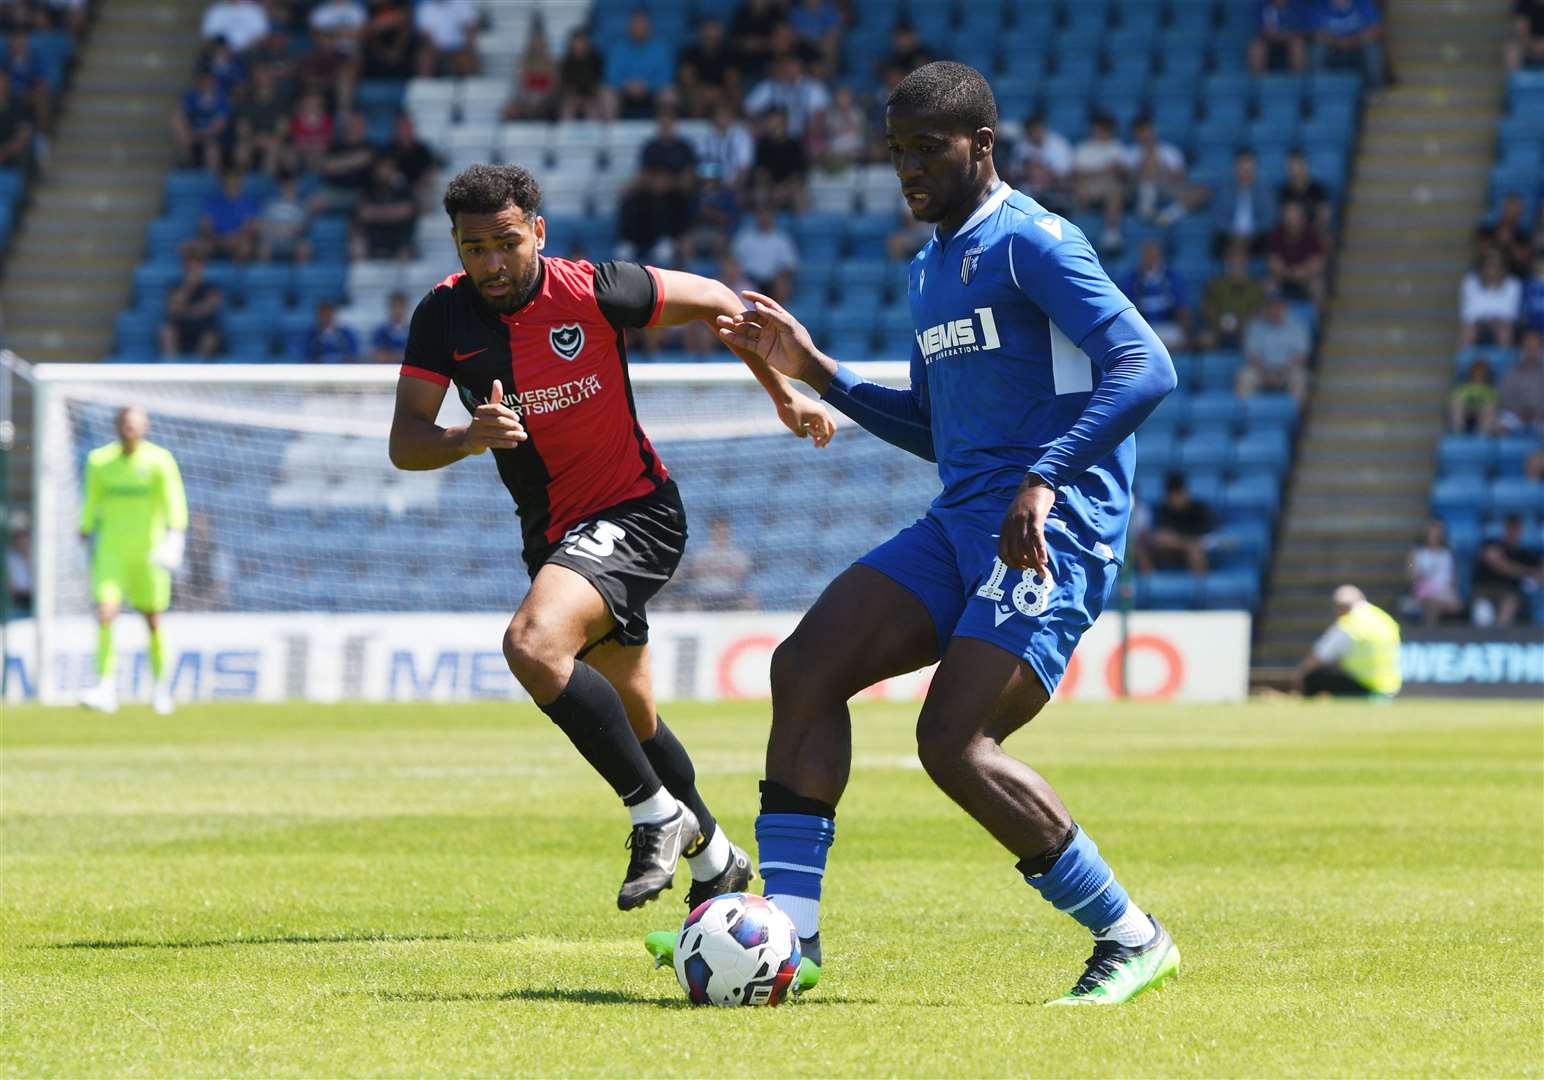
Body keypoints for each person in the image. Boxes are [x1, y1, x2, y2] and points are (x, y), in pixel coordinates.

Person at [703, 62, 1180, 1004]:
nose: (909, 166)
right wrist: (821, 373)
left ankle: (1132, 937)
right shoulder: (929, 268)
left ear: (983, 146)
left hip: (1052, 528)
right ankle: (792, 941)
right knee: (804, 668)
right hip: (963, 520)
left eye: (929, 147)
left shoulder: (1032, 243)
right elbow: (937, 426)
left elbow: (1146, 364)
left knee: (952, 742)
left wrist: (1044, 479)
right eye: (896, 150)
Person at [387, 164, 836, 914]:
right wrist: (467, 438)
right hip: (555, 537)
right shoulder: (441, 316)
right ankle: (719, 859)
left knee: (532, 643)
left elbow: (723, 304)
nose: (491, 263)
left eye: (505, 243)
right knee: (633, 716)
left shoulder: (596, 288)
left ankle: (654, 814)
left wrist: (783, 394)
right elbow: (404, 441)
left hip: (637, 512)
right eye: (474, 249)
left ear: (538, 230)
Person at [77, 407, 190, 716]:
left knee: (152, 619)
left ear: (145, 426)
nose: (130, 429)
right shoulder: (99, 461)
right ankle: (105, 685)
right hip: (111, 550)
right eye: (125, 423)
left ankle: (161, 687)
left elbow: (174, 501)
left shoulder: (159, 460)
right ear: (118, 426)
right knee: (105, 613)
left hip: (148, 552)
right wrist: (83, 536)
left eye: (135, 424)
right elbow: (90, 502)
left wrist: (175, 538)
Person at [1295, 585, 1402, 698]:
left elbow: (1320, 656)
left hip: (1366, 688)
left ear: (1341, 607)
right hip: (1390, 688)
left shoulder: (1349, 624)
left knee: (1312, 677)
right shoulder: (1383, 618)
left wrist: (1299, 674)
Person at [1238, 285, 1311, 406]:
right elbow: (1251, 354)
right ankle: (1246, 416)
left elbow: (1300, 355)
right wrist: (1265, 372)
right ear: (1266, 308)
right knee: (1244, 376)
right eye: (1271, 306)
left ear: (1285, 307)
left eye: (1278, 306)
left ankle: (1293, 417)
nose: (1274, 310)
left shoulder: (1298, 327)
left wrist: (1281, 372)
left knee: (1300, 377)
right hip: (1261, 370)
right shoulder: (1255, 326)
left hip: (1287, 370)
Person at [1134, 473, 1216, 575]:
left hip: (1197, 547)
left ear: (1185, 493)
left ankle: (1201, 588)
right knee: (1148, 545)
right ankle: (1151, 586)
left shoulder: (1200, 510)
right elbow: (1161, 536)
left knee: (1194, 549)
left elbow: (1207, 536)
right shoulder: (1164, 510)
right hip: (1171, 549)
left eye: (1178, 494)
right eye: (1171, 495)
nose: (1175, 499)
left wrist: (1182, 540)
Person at [1120, 240, 1192, 352]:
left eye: (1153, 255)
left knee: (1176, 339)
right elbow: (1125, 310)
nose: (1149, 259)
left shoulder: (1172, 276)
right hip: (1143, 327)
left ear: (1159, 256)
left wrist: (1187, 334)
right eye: (1146, 255)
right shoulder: (1131, 278)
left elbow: (1181, 308)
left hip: (1168, 326)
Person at [1471, 514, 1542, 626]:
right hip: (1485, 590)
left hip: (1510, 592)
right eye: (1511, 528)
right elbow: (1500, 565)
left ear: (1522, 530)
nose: (1513, 532)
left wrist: (1536, 574)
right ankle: (1485, 640)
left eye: (1517, 528)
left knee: (1510, 601)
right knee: (1483, 612)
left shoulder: (1526, 554)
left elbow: (1539, 571)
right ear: (1504, 528)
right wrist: (1527, 571)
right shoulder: (1491, 544)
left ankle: (1500, 638)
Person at [1072, 112, 1128, 252]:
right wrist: (1104, 170)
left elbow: (1123, 173)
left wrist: (1100, 172)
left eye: (1104, 129)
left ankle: (1111, 233)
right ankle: (1077, 233)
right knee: (1079, 187)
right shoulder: (1084, 148)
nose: (1100, 132)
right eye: (1098, 128)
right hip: (1087, 189)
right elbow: (1078, 174)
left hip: (1110, 188)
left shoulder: (1117, 147)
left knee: (1114, 188)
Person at [604, 9, 675, 120]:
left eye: (642, 24)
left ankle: (664, 135)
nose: (639, 28)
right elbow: (611, 76)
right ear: (629, 27)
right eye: (635, 25)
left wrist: (647, 85)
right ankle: (613, 135)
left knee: (669, 94)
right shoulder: (618, 47)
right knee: (607, 95)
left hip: (652, 92)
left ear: (649, 27)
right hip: (624, 92)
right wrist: (627, 84)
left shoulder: (661, 47)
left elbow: (666, 76)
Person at [676, 514, 754, 609]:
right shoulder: (701, 554)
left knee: (749, 602)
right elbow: (696, 574)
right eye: (717, 530)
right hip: (704, 595)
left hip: (731, 595)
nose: (721, 533)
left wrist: (713, 568)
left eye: (723, 530)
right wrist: (723, 569)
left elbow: (740, 576)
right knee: (690, 605)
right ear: (711, 532)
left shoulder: (738, 554)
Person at [1199, 241, 1265, 349]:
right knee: (1205, 339)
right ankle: (1214, 364)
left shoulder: (1255, 287)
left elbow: (1259, 312)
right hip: (1218, 327)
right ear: (1227, 261)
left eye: (1240, 260)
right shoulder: (1216, 284)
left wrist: (1242, 324)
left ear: (1246, 262)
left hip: (1245, 329)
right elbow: (1206, 309)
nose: (1236, 263)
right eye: (1232, 260)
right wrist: (1221, 321)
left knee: (1255, 340)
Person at [157, 256, 224, 359]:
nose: (194, 271)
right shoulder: (175, 286)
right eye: (190, 268)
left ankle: (199, 367)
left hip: (203, 327)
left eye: (197, 268)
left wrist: (185, 310)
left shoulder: (212, 287)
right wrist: (188, 287)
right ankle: (172, 365)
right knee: (166, 332)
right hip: (180, 326)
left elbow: (209, 308)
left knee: (210, 339)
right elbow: (173, 308)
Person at [1265, 199, 1328, 305]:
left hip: (1306, 276)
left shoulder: (1312, 234)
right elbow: (1272, 262)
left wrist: (1303, 271)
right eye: (1288, 215)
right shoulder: (1276, 235)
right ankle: (1269, 317)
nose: (1291, 219)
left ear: (1301, 217)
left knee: (1318, 286)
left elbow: (1318, 262)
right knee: (1268, 285)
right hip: (1282, 276)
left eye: (1294, 215)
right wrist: (1288, 273)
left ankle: (1317, 319)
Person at [1312, 0, 1386, 87]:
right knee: (1318, 49)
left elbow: (1375, 30)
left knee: (1372, 47)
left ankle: (1375, 90)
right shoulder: (1320, 5)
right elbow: (1317, 34)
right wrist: (1339, 41)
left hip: (1358, 48)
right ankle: (1317, 88)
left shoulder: (1363, 3)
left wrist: (1353, 40)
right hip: (1333, 50)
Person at [1459, 248, 1522, 348]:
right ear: (1481, 268)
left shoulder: (1513, 284)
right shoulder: (1470, 282)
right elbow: (1468, 313)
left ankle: (1506, 361)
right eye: (1488, 266)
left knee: (1505, 331)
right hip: (1478, 324)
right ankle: (1466, 360)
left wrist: (1492, 319)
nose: (1491, 270)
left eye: (1495, 266)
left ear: (1502, 268)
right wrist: (1486, 320)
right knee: (1468, 330)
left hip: (1502, 324)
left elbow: (1511, 313)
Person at [1406, 519, 1461, 626]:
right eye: (1432, 533)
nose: (1435, 536)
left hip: (1445, 593)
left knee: (1440, 604)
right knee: (1431, 605)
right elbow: (1410, 578)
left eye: (1438, 533)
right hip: (1424, 592)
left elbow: (1454, 580)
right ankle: (1430, 633)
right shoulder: (1417, 554)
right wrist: (1420, 575)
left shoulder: (1448, 554)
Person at [414, 0, 478, 77]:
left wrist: (468, 48)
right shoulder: (425, 8)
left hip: (460, 48)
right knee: (424, 59)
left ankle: (471, 86)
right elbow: (426, 37)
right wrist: (435, 51)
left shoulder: (461, 3)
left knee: (468, 58)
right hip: (436, 49)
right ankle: (427, 87)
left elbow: (470, 29)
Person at [1498, 328, 1544, 435]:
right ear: (1522, 349)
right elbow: (1505, 398)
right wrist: (1520, 412)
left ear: (1539, 349)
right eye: (1528, 347)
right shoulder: (1511, 372)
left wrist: (1537, 412)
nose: (1531, 350)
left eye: (1534, 347)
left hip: (1541, 417)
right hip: (1516, 417)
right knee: (1496, 427)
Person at [1250, 0, 1309, 73]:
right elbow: (1263, 31)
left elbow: (1299, 31)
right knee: (1256, 46)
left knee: (1297, 44)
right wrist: (1278, 34)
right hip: (1268, 42)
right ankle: (1257, 82)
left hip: (1290, 42)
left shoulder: (1296, 6)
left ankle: (1298, 80)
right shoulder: (1263, 6)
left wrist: (1281, 34)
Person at [1449, 357, 1499, 434]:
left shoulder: (1490, 390)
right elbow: (1456, 399)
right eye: (1477, 372)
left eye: (1482, 372)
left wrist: (1478, 409)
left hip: (1483, 415)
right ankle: (1458, 435)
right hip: (1466, 414)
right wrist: (1469, 409)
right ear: (1472, 372)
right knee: (1457, 405)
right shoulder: (1464, 388)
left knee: (1488, 409)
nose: (1479, 374)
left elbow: (1493, 404)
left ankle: (1483, 438)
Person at [370, 290, 410, 362]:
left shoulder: (413, 331)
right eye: (395, 307)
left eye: (401, 307)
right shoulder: (381, 332)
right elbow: (377, 356)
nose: (398, 311)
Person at [1507, 0, 1544, 69]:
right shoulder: (1523, 4)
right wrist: (1533, 44)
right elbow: (1521, 31)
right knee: (1512, 50)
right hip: (1529, 44)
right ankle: (1517, 78)